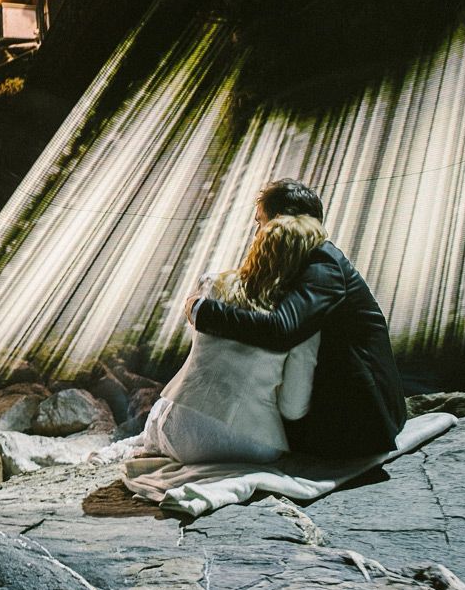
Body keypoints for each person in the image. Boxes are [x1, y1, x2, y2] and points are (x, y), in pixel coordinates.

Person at [186, 179, 407, 458]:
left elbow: (281, 330)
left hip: (364, 422)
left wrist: (203, 310)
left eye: (260, 222)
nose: (257, 234)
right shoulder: (305, 260)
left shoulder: (322, 263)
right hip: (344, 405)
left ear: (282, 220)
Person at [144, 213, 326, 464]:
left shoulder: (212, 285)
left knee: (162, 408)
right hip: (253, 446)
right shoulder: (301, 319)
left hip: (182, 437)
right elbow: (292, 408)